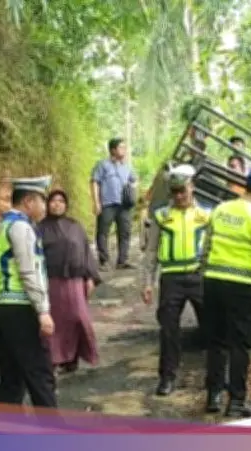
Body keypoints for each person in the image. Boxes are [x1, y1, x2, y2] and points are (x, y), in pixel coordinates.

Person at [200, 167, 251, 418]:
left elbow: (206, 247)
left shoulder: (221, 209)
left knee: (215, 341)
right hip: (239, 286)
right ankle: (236, 400)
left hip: (213, 281)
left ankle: (213, 395)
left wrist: (204, 274)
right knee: (239, 345)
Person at [0, 175, 57, 408]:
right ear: (28, 201)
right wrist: (43, 310)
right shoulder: (21, 228)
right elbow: (28, 271)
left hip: (0, 307)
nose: (44, 207)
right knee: (39, 375)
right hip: (20, 308)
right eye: (41, 201)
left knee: (11, 379)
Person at [140, 164, 210, 396]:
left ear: (193, 187)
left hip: (199, 277)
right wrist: (147, 282)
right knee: (169, 330)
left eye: (183, 190)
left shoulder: (206, 215)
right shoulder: (161, 216)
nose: (180, 196)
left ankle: (215, 379)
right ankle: (167, 377)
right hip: (171, 278)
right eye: (175, 192)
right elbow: (151, 251)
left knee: (211, 327)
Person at [38, 189, 102, 374]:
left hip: (75, 281)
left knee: (78, 318)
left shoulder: (75, 226)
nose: (57, 204)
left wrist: (90, 277)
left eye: (61, 201)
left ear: (66, 205)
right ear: (48, 204)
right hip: (52, 282)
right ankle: (54, 359)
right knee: (56, 321)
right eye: (53, 201)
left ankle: (72, 356)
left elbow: (86, 252)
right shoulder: (40, 228)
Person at [91, 138, 138, 271]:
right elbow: (95, 182)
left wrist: (132, 193)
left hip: (124, 205)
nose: (124, 150)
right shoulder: (102, 165)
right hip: (107, 203)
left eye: (125, 147)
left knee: (125, 232)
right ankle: (104, 260)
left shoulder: (127, 166)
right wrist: (96, 202)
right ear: (113, 150)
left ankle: (122, 260)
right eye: (121, 147)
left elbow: (134, 181)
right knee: (103, 232)